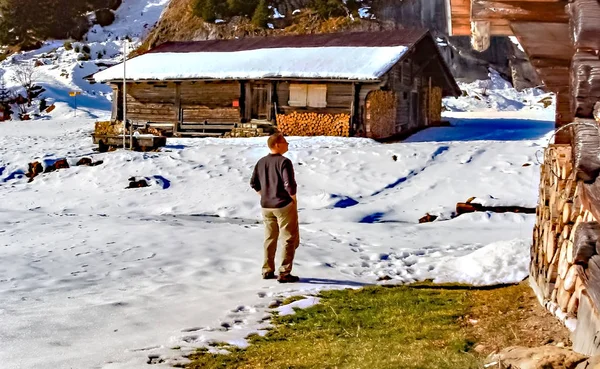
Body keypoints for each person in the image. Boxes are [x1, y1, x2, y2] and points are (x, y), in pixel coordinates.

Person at [250, 132, 300, 283]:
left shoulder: (261, 162)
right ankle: (284, 273)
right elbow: (289, 185)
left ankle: (267, 270)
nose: (288, 144)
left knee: (270, 238)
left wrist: (265, 195)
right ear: (277, 144)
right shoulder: (284, 162)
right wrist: (292, 199)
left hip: (266, 206)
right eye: (285, 142)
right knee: (288, 239)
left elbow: (253, 183)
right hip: (283, 205)